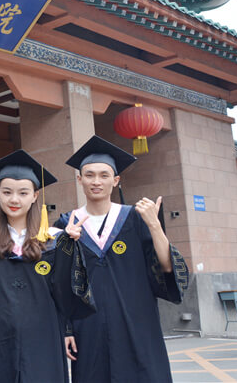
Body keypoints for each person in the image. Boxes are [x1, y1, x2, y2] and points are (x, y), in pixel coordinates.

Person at [0, 149, 95, 382]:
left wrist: (68, 249)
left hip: (41, 341)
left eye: (23, 193)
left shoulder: (53, 242)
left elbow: (67, 296)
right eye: (7, 192)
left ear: (35, 196)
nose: (14, 199)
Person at [53, 135, 190, 383]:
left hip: (137, 323)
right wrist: (66, 329)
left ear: (116, 180)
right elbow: (60, 285)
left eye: (104, 175)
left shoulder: (136, 219)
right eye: (90, 175)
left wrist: (155, 225)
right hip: (88, 327)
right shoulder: (66, 224)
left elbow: (168, 268)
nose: (97, 181)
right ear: (79, 179)